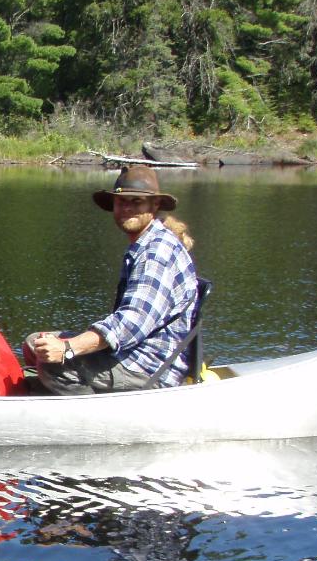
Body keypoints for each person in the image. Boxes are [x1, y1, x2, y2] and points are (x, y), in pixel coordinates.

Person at [27, 165, 199, 394]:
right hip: (130, 354)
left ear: (154, 205)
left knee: (53, 366)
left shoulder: (156, 253)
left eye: (136, 202)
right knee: (36, 343)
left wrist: (68, 348)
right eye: (121, 202)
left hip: (150, 368)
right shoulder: (145, 244)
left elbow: (132, 322)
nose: (127, 208)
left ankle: (88, 421)